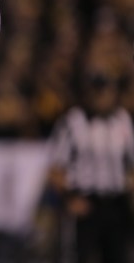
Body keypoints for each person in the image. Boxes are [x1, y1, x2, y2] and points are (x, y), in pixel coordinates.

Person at [47, 50, 134, 263]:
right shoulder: (73, 121)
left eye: (106, 90)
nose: (102, 96)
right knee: (82, 257)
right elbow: (56, 169)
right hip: (86, 203)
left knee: (118, 256)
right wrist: (70, 198)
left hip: (116, 204)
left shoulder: (122, 119)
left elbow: (130, 165)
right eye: (98, 90)